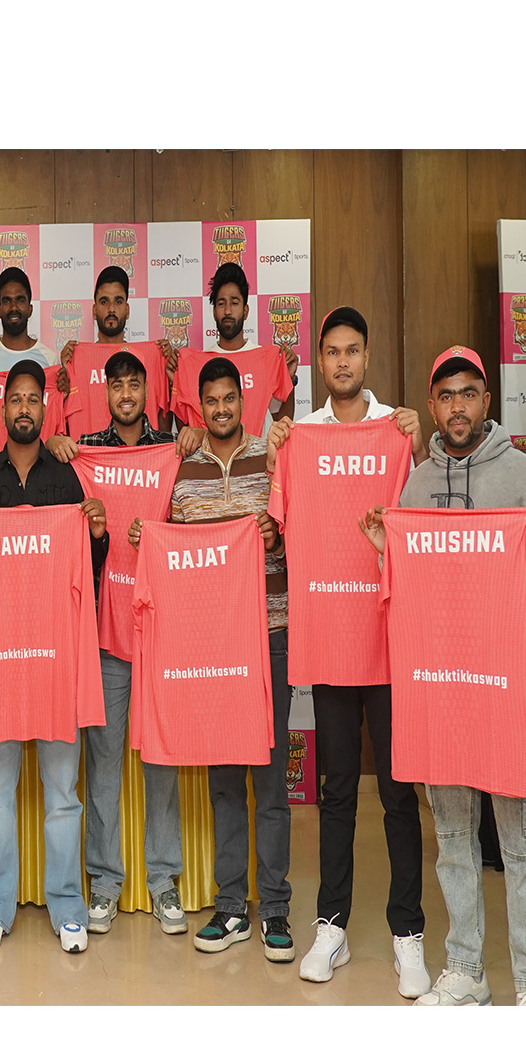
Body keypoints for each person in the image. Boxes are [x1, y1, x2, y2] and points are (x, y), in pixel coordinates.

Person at [360, 346, 526, 1006]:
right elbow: (412, 592)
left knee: (521, 840)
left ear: (487, 401)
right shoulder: (415, 487)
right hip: (441, 689)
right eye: (445, 395)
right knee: (450, 836)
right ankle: (467, 970)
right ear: (433, 402)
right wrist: (389, 550)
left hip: (506, 692)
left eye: (469, 393)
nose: (457, 407)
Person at [266, 305, 431, 995]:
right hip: (331, 638)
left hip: (389, 640)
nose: (341, 362)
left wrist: (417, 450)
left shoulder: (396, 430)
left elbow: (424, 517)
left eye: (352, 351)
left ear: (366, 357)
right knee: (336, 790)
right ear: (321, 360)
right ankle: (330, 924)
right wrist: (276, 446)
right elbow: (275, 526)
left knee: (397, 793)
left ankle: (408, 932)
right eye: (330, 351)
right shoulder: (298, 436)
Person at [0, 358, 109, 953]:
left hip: (56, 661)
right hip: (1, 664)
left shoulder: (66, 482)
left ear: (46, 408)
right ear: (1, 406)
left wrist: (95, 532)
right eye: (15, 398)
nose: (24, 408)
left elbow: (86, 573)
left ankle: (67, 904)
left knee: (64, 793)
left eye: (34, 399)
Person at [47, 350, 186, 935]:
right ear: (105, 392)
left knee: (161, 763)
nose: (126, 393)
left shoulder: (174, 449)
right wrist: (61, 444)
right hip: (106, 633)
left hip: (159, 631)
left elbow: (190, 516)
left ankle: (164, 881)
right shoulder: (87, 451)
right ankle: (103, 882)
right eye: (117, 384)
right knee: (102, 764)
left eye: (136, 384)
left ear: (147, 390)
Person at [170, 356, 296, 961]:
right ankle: (230, 906)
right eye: (210, 401)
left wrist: (275, 533)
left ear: (242, 400)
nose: (220, 410)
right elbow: (172, 555)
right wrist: (152, 538)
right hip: (211, 645)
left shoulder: (271, 463)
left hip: (270, 633)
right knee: (224, 783)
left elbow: (304, 531)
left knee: (270, 781)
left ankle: (274, 908)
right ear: (200, 405)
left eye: (229, 399)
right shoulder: (182, 471)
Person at [175, 262, 298, 453]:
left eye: (234, 302)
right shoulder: (195, 364)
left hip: (255, 466)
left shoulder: (265, 360)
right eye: (221, 303)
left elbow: (281, 420)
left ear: (246, 310)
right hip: (211, 467)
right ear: (214, 311)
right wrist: (175, 380)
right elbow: (184, 422)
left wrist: (288, 381)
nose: (227, 311)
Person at [52, 265, 179, 444]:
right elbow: (64, 426)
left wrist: (168, 375)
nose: (111, 309)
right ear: (94, 311)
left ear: (127, 310)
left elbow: (163, 420)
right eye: (104, 302)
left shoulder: (149, 358)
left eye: (118, 301)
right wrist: (65, 381)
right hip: (91, 466)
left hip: (140, 466)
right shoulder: (74, 359)